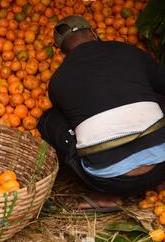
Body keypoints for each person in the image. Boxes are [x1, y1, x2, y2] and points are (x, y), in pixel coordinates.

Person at [38, 15, 165, 211]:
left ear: (62, 53)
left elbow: (72, 119)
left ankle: (107, 198)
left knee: (49, 119)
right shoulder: (129, 51)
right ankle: (160, 182)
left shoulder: (58, 81)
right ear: (93, 33)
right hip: (161, 167)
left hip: (111, 181)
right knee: (156, 96)